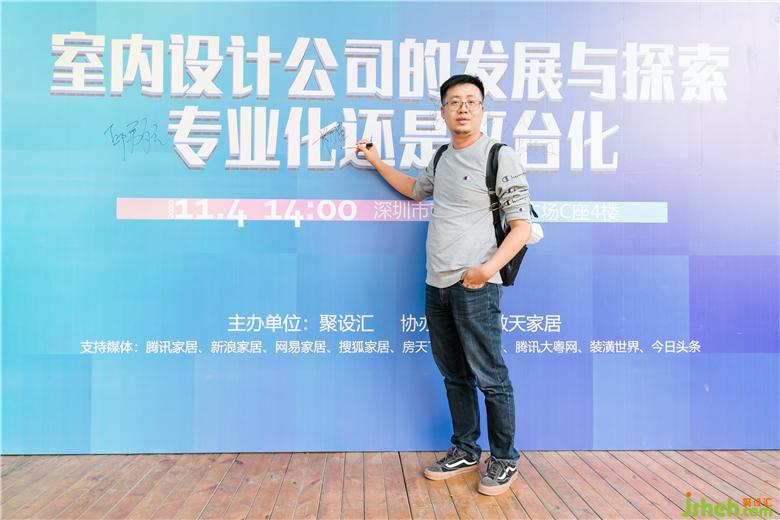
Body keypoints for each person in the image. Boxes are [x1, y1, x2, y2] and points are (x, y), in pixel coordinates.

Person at [356, 74, 532, 496]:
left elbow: (521, 227)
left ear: (482, 110)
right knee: (454, 374)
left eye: (471, 101)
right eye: (455, 102)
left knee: (490, 376)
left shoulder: (498, 156)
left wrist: (486, 270)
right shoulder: (442, 157)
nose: (463, 108)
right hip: (436, 285)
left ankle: (504, 458)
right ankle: (466, 449)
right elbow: (415, 190)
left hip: (474, 286)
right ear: (443, 111)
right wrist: (376, 161)